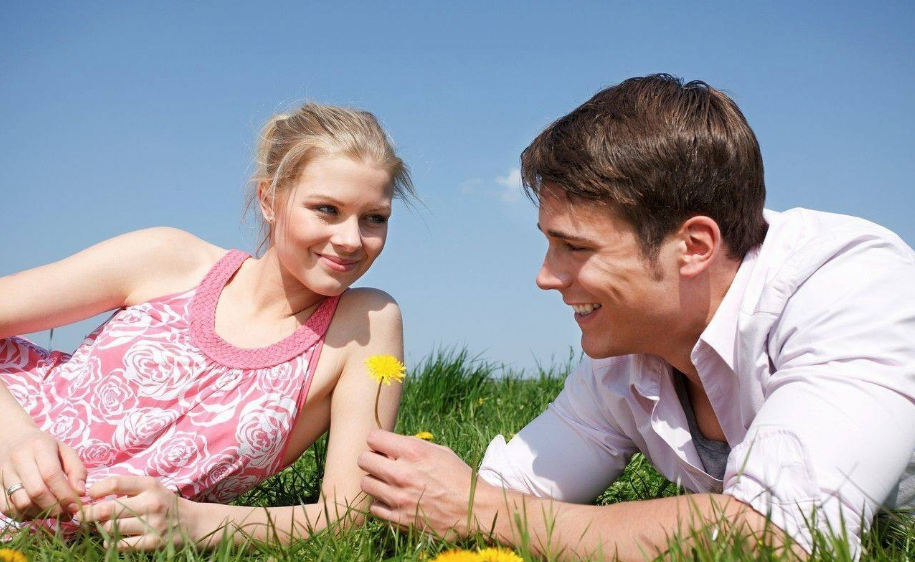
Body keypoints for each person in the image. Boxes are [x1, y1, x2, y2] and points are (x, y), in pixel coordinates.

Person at [358, 74, 915, 560]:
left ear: (694, 246)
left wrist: (481, 510)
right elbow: (507, 490)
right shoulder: (629, 350)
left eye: (574, 247)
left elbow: (774, 539)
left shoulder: (851, 286)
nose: (545, 277)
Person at [0, 102, 412, 550]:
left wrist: (194, 522)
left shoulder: (365, 325)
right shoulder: (168, 258)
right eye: (327, 209)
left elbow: (344, 515)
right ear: (269, 200)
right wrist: (16, 437)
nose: (352, 239)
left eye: (375, 218)